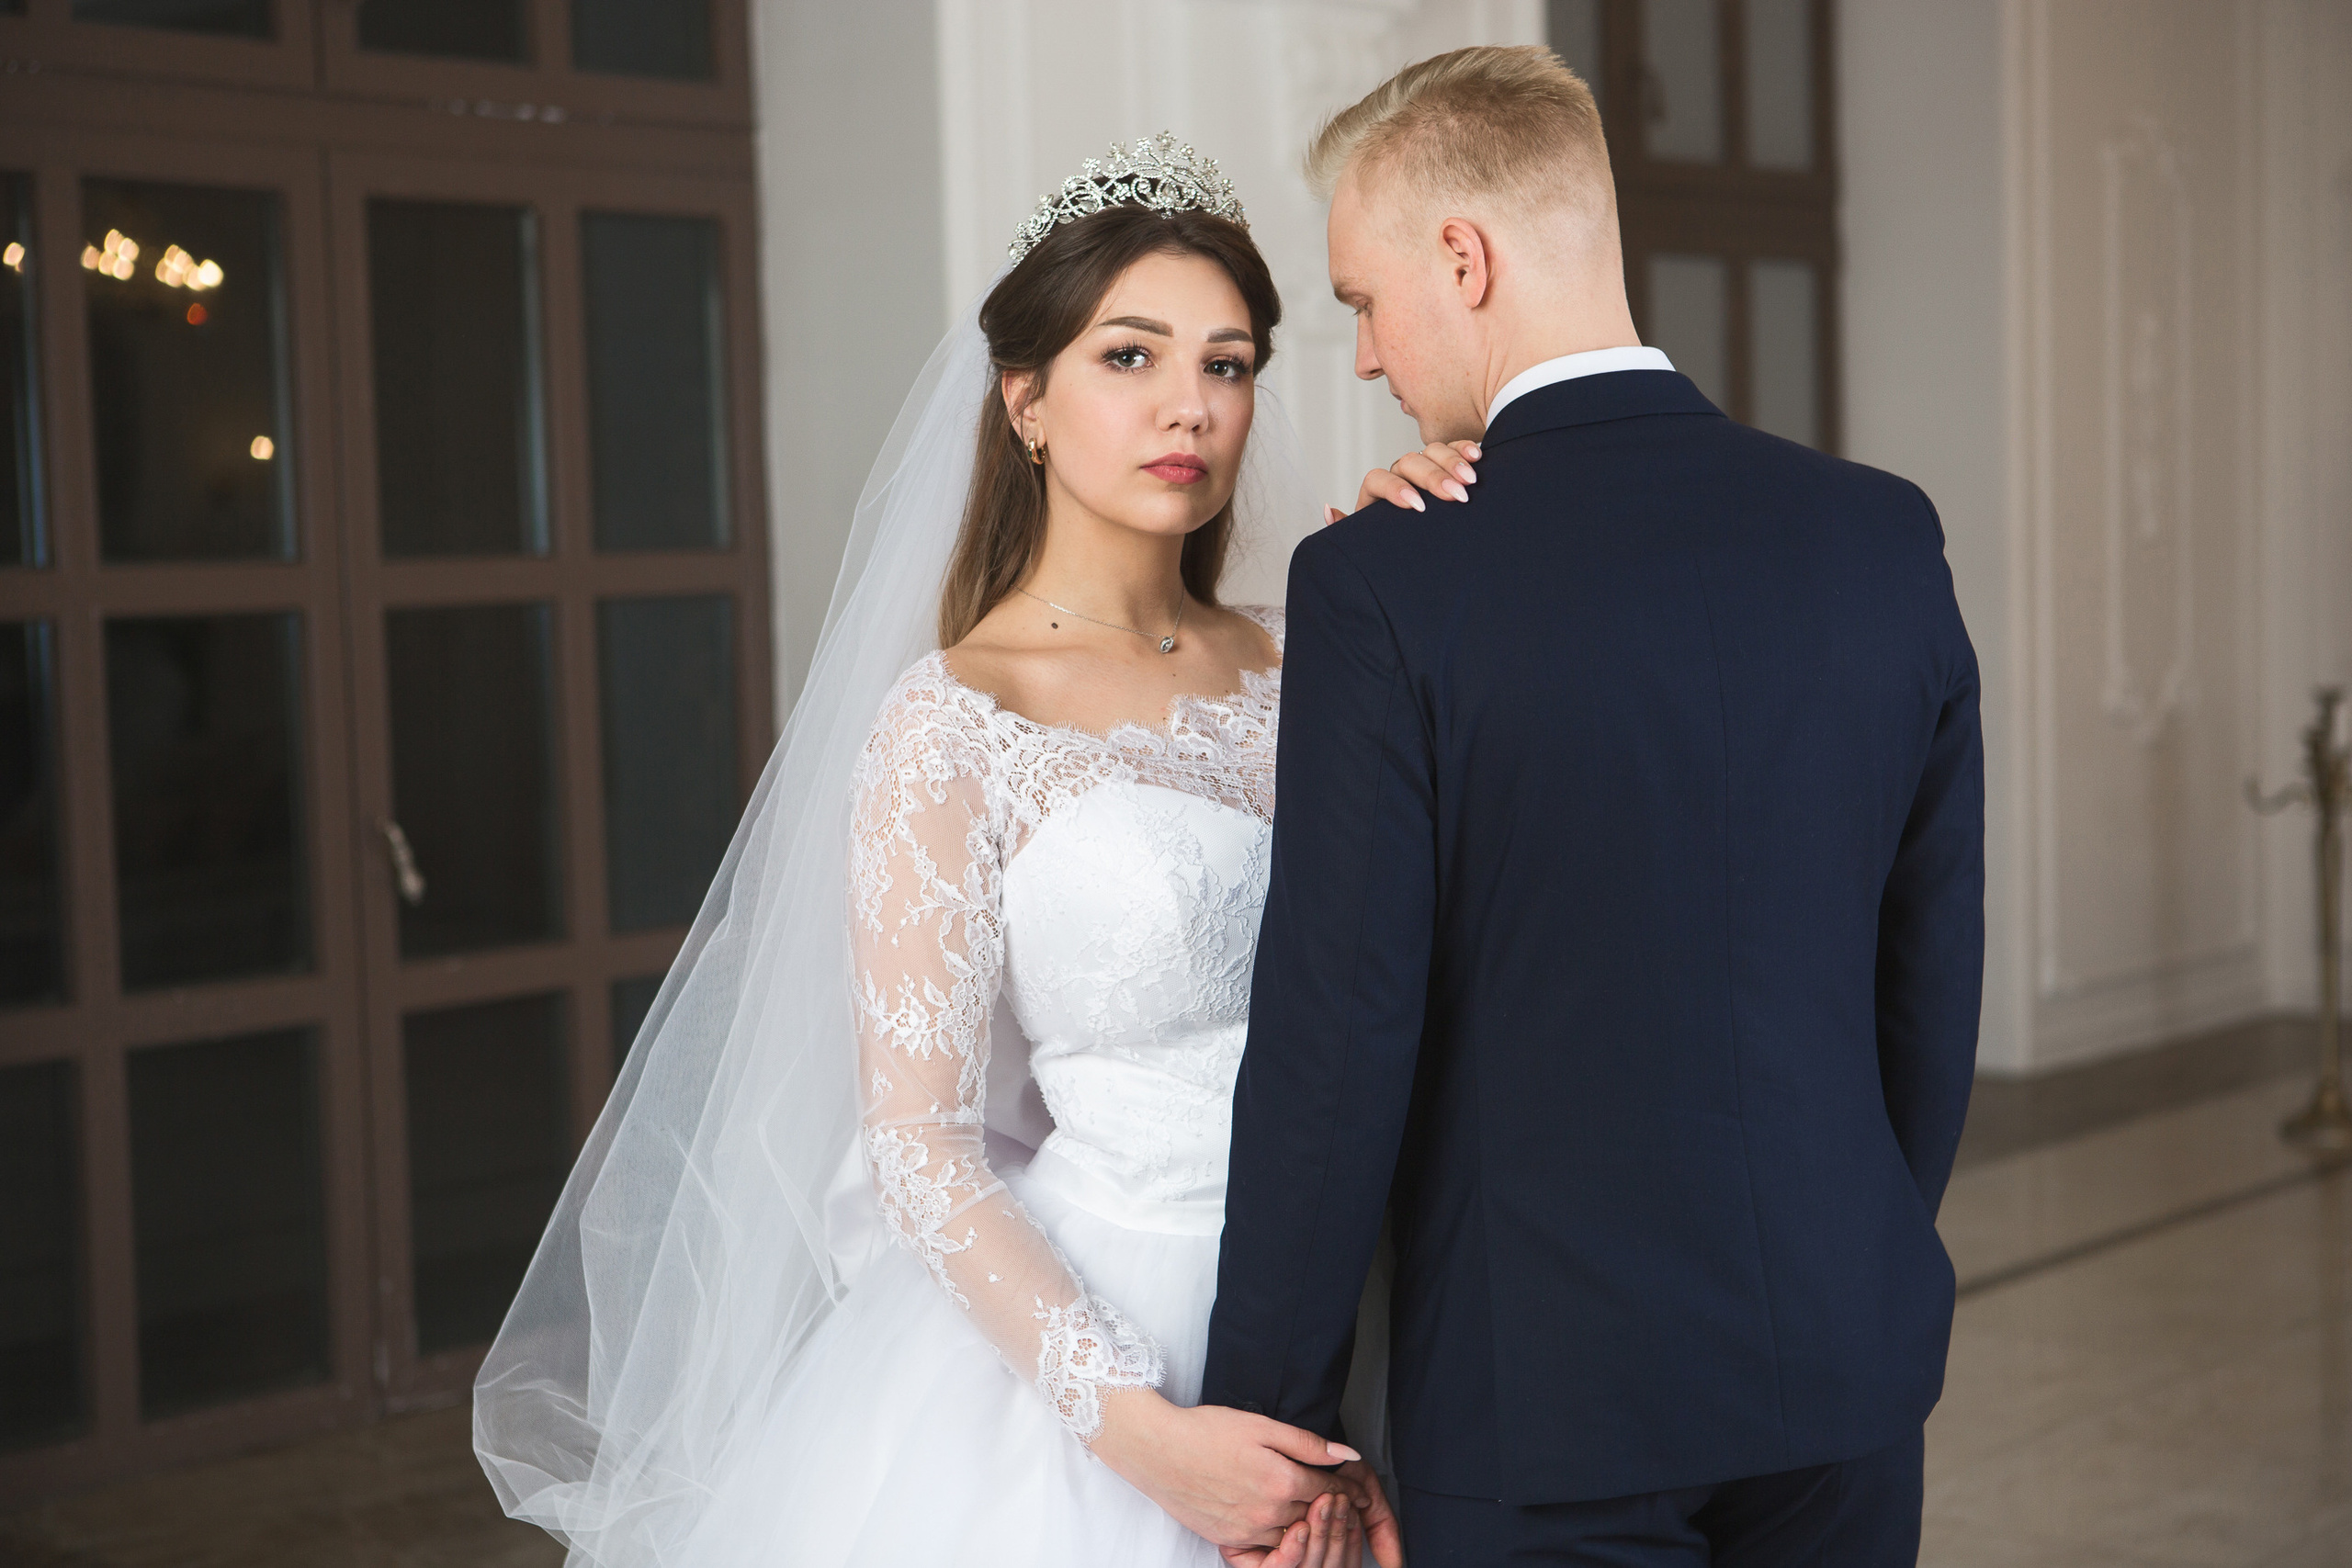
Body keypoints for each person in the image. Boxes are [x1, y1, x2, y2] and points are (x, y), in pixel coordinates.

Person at [473, 133, 1451, 1567]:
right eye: (1131, 356)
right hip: (1110, 1354)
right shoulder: (956, 721)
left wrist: (1432, 568)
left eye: (1228, 364)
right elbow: (922, 1145)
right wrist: (1144, 1436)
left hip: (1373, 1295)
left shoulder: (1329, 655)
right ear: (1026, 398)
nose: (1189, 404)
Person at [1201, 46, 1985, 1566]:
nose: (1361, 359)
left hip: (1547, 1405)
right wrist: (1856, 1251)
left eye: (1361, 302)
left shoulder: (1380, 584)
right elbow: (1925, 982)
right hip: (1845, 1362)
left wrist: (1277, 1429)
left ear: (1465, 257)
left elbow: (1336, 1043)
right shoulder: (1886, 538)